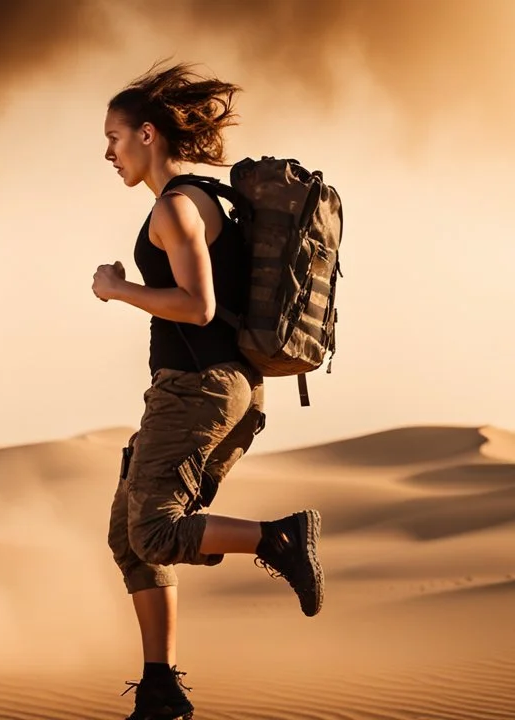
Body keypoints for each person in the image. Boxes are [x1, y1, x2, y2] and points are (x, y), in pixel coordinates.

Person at [91, 63, 324, 720]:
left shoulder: (175, 207)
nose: (108, 152)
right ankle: (160, 685)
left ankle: (279, 538)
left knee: (157, 533)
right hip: (222, 390)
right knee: (127, 533)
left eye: (114, 137)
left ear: (146, 133)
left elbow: (196, 306)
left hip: (198, 389)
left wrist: (118, 290)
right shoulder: (204, 198)